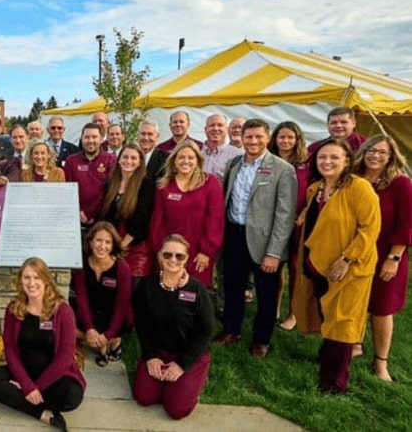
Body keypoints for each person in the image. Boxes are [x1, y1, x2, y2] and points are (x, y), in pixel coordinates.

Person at [292, 139, 380, 393]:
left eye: (334, 158)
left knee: (343, 321)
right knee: (325, 313)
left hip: (349, 267)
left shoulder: (359, 188)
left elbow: (370, 228)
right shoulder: (316, 188)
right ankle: (327, 355)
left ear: (347, 161)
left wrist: (347, 258)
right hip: (318, 263)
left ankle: (334, 381)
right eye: (322, 158)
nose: (327, 162)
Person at [215, 119, 297, 357]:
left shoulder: (282, 169)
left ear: (268, 138)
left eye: (258, 137)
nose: (253, 141)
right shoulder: (234, 164)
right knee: (232, 287)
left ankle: (262, 340)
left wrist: (274, 252)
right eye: (248, 136)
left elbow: (285, 214)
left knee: (266, 294)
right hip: (234, 234)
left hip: (265, 242)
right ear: (241, 137)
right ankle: (231, 330)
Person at [0, 257, 85, 431]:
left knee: (72, 396)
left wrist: (34, 388)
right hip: (23, 372)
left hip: (54, 377)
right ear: (20, 280)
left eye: (37, 278)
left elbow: (65, 358)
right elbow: (11, 350)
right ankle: (41, 413)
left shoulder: (62, 311)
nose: (32, 283)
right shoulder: (14, 309)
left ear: (46, 280)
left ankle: (24, 398)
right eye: (27, 277)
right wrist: (26, 383)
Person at [132, 234, 214, 419]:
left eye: (179, 256)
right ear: (159, 256)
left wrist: (181, 365)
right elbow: (142, 324)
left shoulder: (198, 291)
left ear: (187, 258)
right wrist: (150, 356)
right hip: (159, 352)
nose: (173, 260)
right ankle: (168, 383)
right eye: (167, 255)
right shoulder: (146, 286)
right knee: (144, 398)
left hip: (188, 354)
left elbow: (205, 333)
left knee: (176, 410)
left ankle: (197, 376)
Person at [352, 135, 412, 381]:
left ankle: (380, 362)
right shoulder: (355, 179)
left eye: (382, 152)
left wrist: (394, 257)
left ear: (391, 157)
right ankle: (355, 344)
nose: (375, 156)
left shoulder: (401, 184)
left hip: (387, 253)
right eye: (371, 150)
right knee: (355, 301)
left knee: (381, 308)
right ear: (363, 152)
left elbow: (407, 223)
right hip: (357, 251)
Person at [149, 141, 224, 287]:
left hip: (197, 250)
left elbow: (215, 219)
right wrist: (160, 249)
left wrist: (206, 251)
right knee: (166, 287)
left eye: (191, 158)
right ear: (174, 160)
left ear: (198, 160)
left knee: (192, 291)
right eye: (181, 157)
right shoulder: (163, 185)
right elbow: (157, 220)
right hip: (169, 250)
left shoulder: (210, 183)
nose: (186, 161)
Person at [268, 121, 310, 331]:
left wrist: (304, 212)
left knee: (295, 267)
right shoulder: (268, 161)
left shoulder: (306, 163)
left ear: (297, 139)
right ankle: (273, 307)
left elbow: (316, 190)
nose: (285, 141)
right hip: (273, 221)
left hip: (297, 223)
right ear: (275, 139)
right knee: (274, 267)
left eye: (289, 137)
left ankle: (293, 312)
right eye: (281, 137)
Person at [71, 222, 132, 366]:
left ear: (113, 245)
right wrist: (90, 329)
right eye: (98, 240)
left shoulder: (122, 268)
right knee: (70, 327)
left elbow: (122, 306)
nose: (102, 246)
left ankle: (114, 341)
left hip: (113, 314)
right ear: (91, 242)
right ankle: (100, 343)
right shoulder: (82, 266)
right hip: (91, 312)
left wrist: (109, 334)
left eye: (107, 242)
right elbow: (82, 299)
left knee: (124, 320)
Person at [100, 144, 155, 281]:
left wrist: (122, 246)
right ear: (118, 160)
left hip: (135, 247)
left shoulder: (146, 185)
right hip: (112, 244)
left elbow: (142, 219)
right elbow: (106, 216)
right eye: (125, 157)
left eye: (133, 158)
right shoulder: (110, 183)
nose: (128, 161)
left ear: (140, 162)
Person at [64, 122, 116, 229]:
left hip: (102, 220)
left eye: (94, 137)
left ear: (101, 139)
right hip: (76, 220)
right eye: (87, 137)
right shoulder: (71, 161)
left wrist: (90, 213)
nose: (90, 141)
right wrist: (79, 214)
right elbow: (67, 191)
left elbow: (110, 192)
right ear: (81, 139)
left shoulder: (111, 160)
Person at [201, 114, 243, 182]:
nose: (216, 128)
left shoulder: (239, 155)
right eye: (212, 125)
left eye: (220, 125)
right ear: (205, 129)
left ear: (227, 129)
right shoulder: (195, 152)